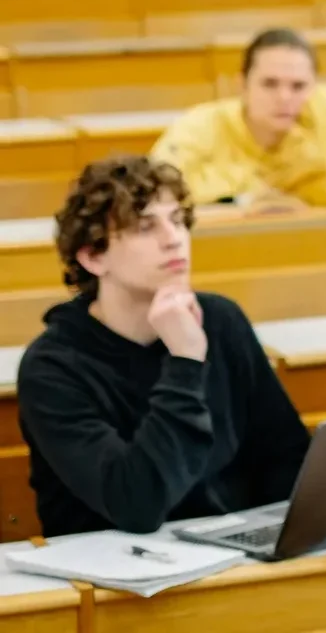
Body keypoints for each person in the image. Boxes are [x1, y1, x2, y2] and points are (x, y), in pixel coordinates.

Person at [16, 156, 310, 537]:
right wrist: (185, 360)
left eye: (177, 220)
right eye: (144, 227)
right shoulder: (52, 368)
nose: (173, 239)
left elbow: (287, 458)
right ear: (93, 256)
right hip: (114, 577)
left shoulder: (222, 321)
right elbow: (138, 505)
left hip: (232, 556)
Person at [151, 28, 326, 210]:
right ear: (242, 86)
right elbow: (154, 192)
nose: (284, 97)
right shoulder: (201, 127)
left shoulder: (316, 139)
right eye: (269, 84)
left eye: (298, 86)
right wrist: (245, 198)